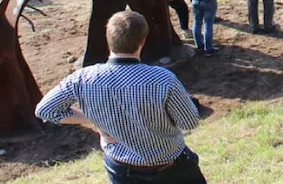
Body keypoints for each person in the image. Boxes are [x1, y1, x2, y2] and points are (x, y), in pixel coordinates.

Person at [35, 11, 205, 183]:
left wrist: (95, 117)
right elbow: (189, 122)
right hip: (170, 168)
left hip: (121, 169)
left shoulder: (82, 78)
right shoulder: (162, 79)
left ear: (108, 40)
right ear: (142, 41)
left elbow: (45, 110)